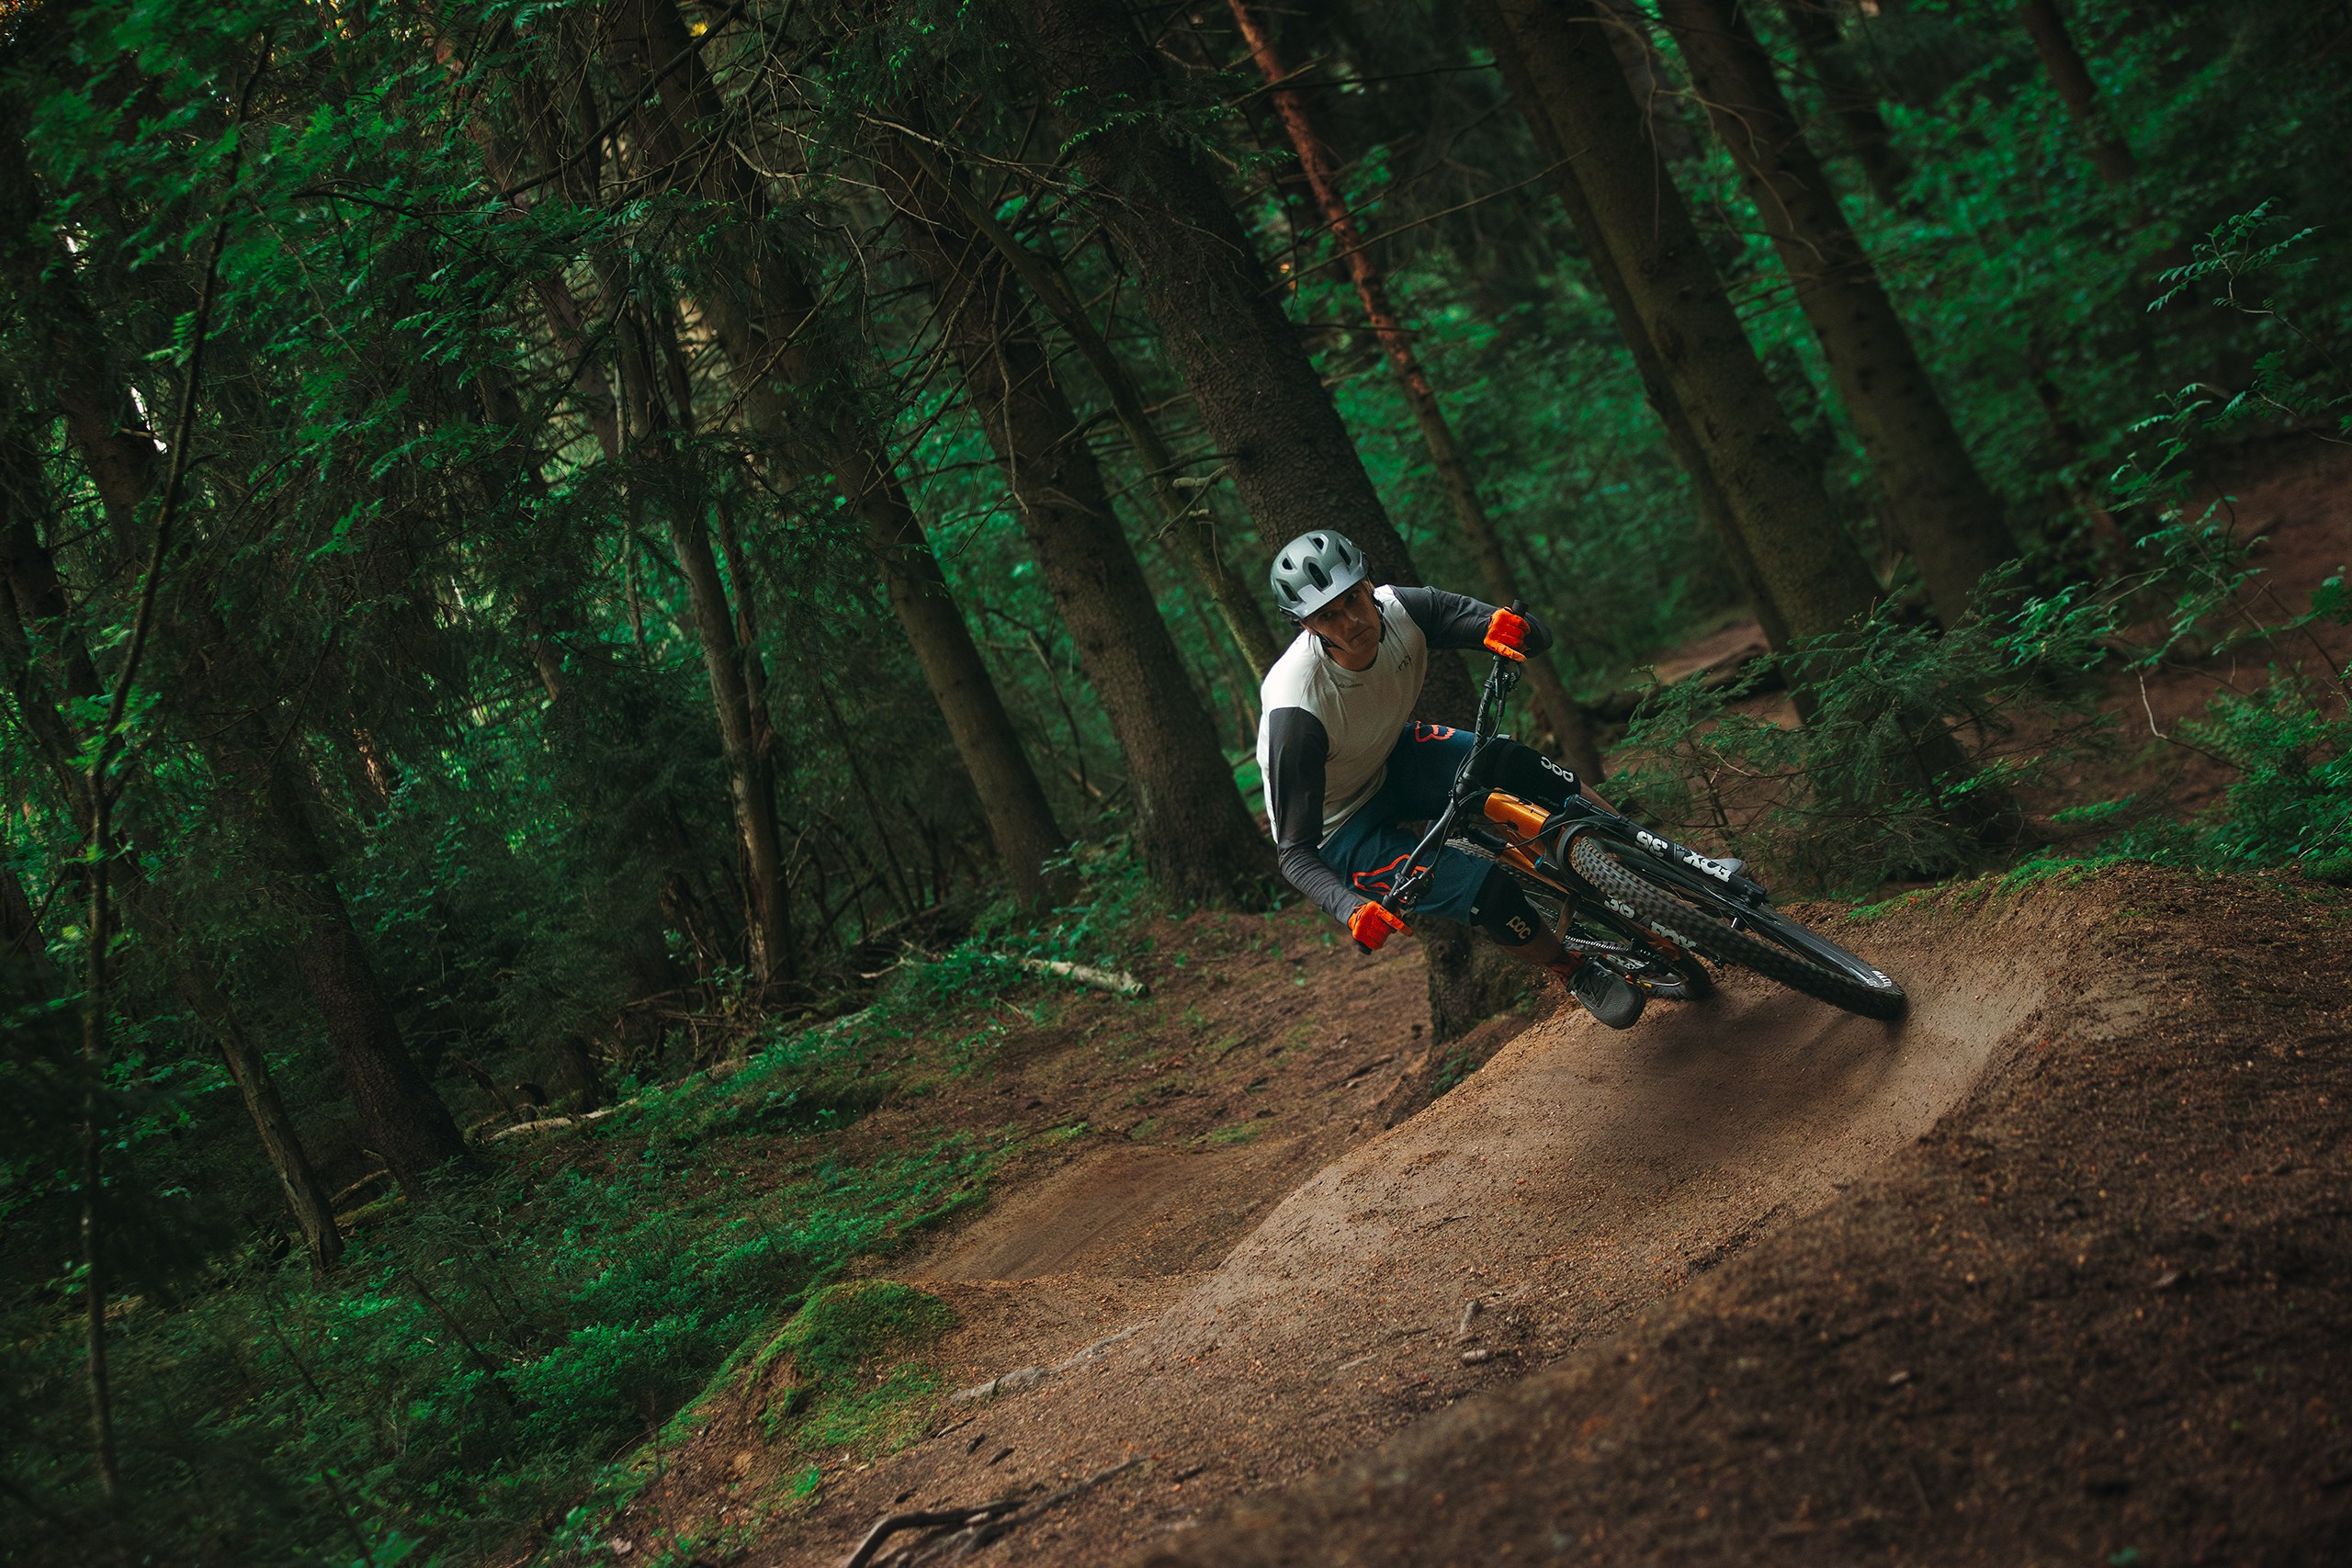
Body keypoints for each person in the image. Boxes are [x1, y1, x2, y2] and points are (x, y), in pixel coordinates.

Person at [1256, 530, 1645, 1029]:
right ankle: (1574, 970)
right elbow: (1294, 852)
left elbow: (1535, 635)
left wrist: (1517, 632)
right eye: (1328, 615)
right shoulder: (1297, 710)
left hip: (1389, 756)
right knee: (1488, 892)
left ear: (1368, 583)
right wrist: (1348, 907)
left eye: (1353, 599)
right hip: (1341, 827)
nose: (1352, 622)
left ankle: (1650, 857)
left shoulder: (1405, 609)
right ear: (1306, 624)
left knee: (1514, 762)